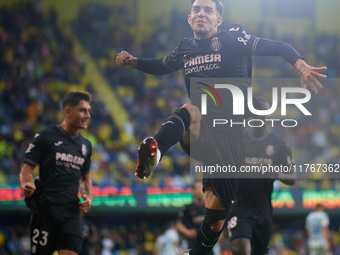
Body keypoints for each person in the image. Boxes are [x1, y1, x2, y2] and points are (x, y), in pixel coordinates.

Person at [116, 0, 327, 254]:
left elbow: (278, 46)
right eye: (196, 9)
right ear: (189, 18)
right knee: (191, 108)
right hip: (202, 131)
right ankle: (156, 151)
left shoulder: (233, 39)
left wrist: (300, 64)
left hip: (231, 138)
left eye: (208, 10)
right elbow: (162, 65)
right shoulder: (185, 47)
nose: (201, 13)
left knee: (215, 219)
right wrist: (134, 62)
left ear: (218, 20)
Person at [19, 91, 93, 255]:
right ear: (68, 111)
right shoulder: (45, 137)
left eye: (88, 111)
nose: (88, 115)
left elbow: (85, 177)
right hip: (45, 213)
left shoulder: (86, 145)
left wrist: (88, 196)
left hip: (72, 215)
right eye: (82, 110)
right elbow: (27, 168)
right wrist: (25, 184)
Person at [226, 99, 296, 255]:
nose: (262, 118)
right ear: (251, 115)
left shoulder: (279, 145)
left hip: (263, 212)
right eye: (259, 114)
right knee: (241, 250)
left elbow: (293, 178)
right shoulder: (238, 140)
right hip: (239, 207)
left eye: (266, 115)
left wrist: (279, 175)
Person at [176, 181, 209, 254]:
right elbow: (179, 224)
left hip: (207, 243)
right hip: (192, 242)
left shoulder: (209, 207)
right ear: (193, 191)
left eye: (201, 188)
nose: (199, 191)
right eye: (197, 188)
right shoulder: (188, 208)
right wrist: (187, 232)